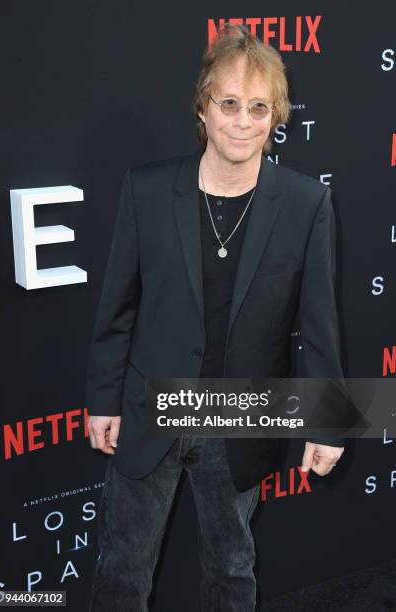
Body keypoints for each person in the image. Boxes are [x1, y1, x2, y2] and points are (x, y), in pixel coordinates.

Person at [85, 23, 346, 612]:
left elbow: (322, 326)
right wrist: (103, 398)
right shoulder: (147, 191)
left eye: (259, 107)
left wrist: (329, 424)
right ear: (203, 107)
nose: (242, 121)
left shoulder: (307, 204)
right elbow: (117, 308)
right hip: (149, 405)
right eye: (229, 104)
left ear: (276, 116)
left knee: (231, 570)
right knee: (122, 572)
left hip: (242, 415)